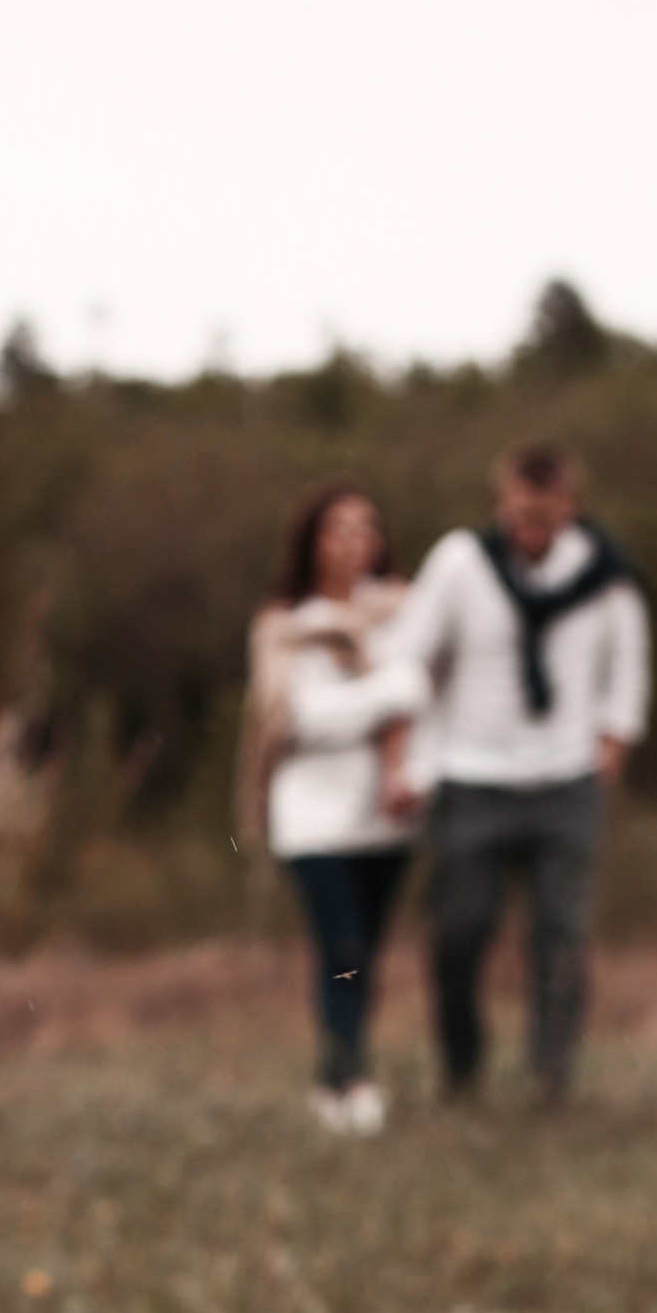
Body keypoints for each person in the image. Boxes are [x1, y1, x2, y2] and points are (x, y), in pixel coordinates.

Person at [388, 441, 648, 1106]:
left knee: (561, 935)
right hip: (471, 776)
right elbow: (409, 657)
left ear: (571, 505)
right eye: (519, 508)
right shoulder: (460, 563)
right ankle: (461, 1068)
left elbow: (627, 673)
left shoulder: (605, 572)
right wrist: (407, 759)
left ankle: (549, 1077)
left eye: (546, 508)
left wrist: (608, 754)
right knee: (459, 929)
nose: (531, 522)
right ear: (500, 502)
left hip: (566, 780)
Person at [238, 480, 428, 1133]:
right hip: (312, 815)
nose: (354, 541)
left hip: (385, 812)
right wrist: (384, 699)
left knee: (361, 955)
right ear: (312, 541)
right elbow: (292, 722)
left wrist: (378, 700)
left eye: (365, 527)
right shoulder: (283, 626)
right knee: (341, 944)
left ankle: (333, 1075)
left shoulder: (404, 611)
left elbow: (420, 689)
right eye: (339, 529)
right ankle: (354, 1077)